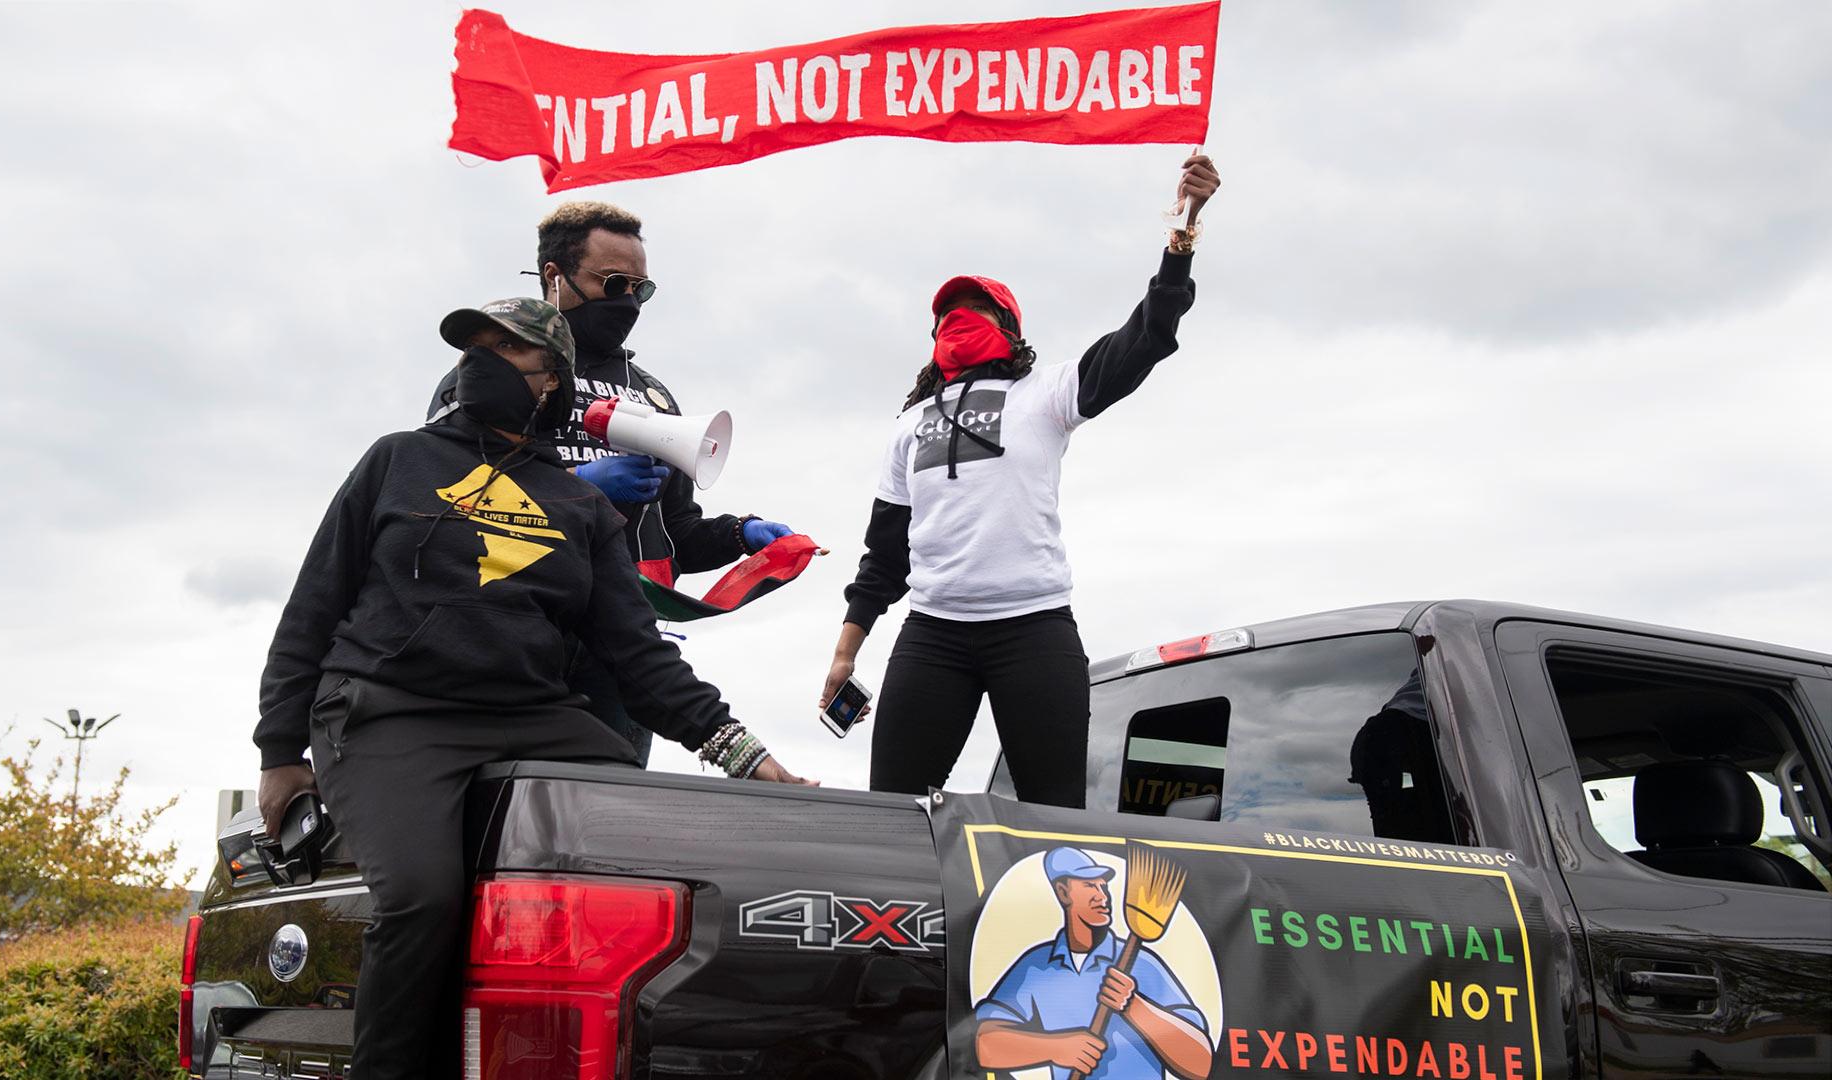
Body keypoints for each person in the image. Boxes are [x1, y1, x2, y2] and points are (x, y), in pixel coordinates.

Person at [260, 297, 812, 1079]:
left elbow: (641, 660)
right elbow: (313, 605)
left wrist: (748, 758)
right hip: (389, 711)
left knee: (644, 832)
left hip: (526, 712)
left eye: (505, 351)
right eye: (474, 349)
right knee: (422, 900)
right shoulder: (396, 459)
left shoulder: (583, 507)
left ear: (549, 380)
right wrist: (279, 747)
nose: (480, 363)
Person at [821, 154, 1222, 808]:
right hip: (933, 635)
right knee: (891, 818)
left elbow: (1145, 337)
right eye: (950, 312)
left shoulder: (1051, 390)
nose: (961, 317)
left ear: (1010, 329)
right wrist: (845, 655)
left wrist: (1183, 233)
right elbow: (883, 559)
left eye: (977, 308)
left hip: (1033, 632)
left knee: (1055, 819)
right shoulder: (909, 424)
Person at [427, 201, 805, 767]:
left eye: (640, 288)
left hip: (619, 644)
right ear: (555, 277)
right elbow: (446, 493)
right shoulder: (490, 375)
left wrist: (740, 536)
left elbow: (673, 533)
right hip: (511, 632)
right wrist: (580, 483)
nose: (627, 301)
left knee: (608, 816)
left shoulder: (652, 397)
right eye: (612, 283)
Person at [974, 847, 1212, 1079]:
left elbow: (1201, 1062)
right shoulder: (1035, 967)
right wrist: (1057, 1048)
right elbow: (985, 1045)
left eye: (1104, 885)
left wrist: (1135, 1006)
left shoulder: (1143, 964)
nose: (1103, 895)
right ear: (1063, 892)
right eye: (1089, 885)